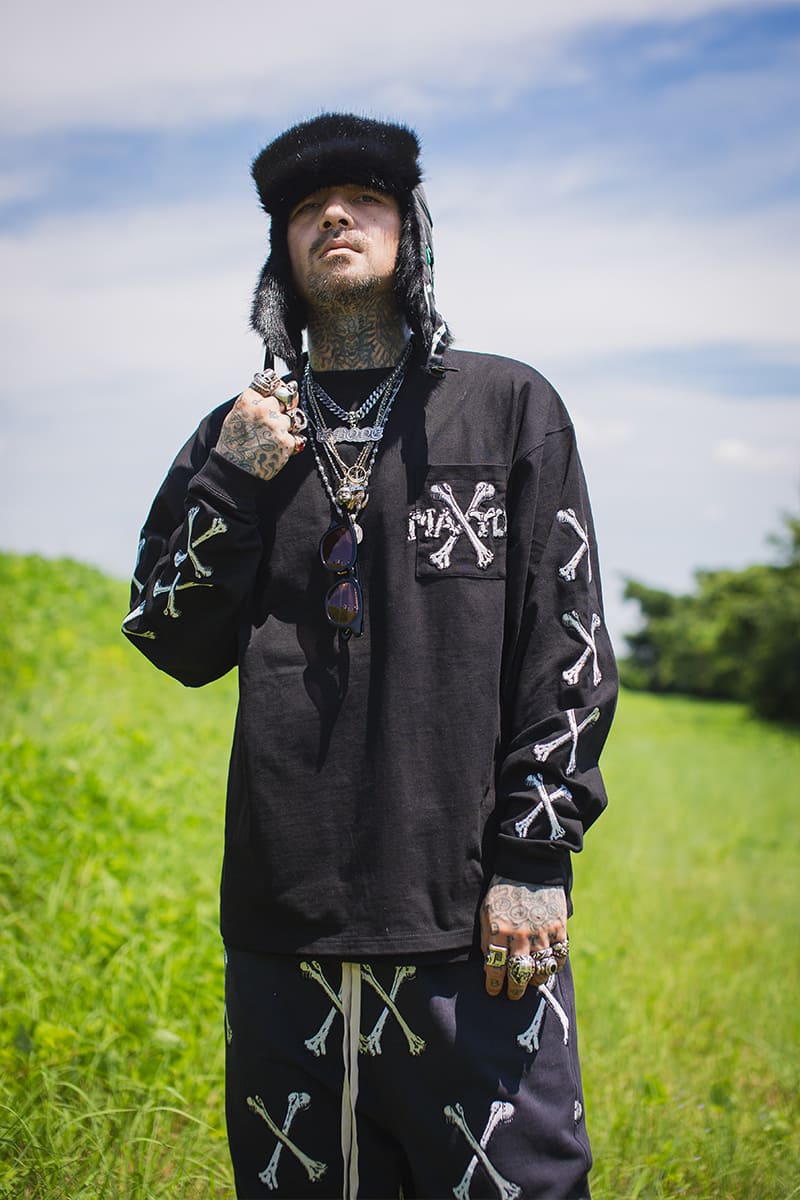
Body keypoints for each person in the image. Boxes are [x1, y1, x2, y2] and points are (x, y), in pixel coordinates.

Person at [123, 112, 617, 1200]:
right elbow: (169, 636)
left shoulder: (507, 408)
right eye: (307, 208)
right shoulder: (240, 433)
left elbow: (567, 643)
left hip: (471, 920)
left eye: (365, 200)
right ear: (280, 257)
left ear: (413, 234)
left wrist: (534, 860)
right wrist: (233, 480)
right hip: (284, 924)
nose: (334, 217)